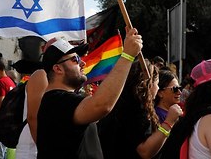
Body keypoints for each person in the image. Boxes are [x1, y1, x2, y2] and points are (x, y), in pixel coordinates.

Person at [36, 28, 143, 159]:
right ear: (57, 68)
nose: (83, 63)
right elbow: (101, 105)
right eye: (75, 59)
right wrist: (127, 55)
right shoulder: (57, 101)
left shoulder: (60, 101)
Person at [99, 59, 182, 158]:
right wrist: (168, 123)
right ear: (146, 84)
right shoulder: (135, 110)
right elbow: (145, 151)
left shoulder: (126, 104)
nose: (157, 88)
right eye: (156, 83)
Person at [13, 58, 47, 159]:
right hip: (31, 151)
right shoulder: (41, 75)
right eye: (74, 59)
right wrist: (45, 149)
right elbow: (32, 118)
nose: (81, 63)